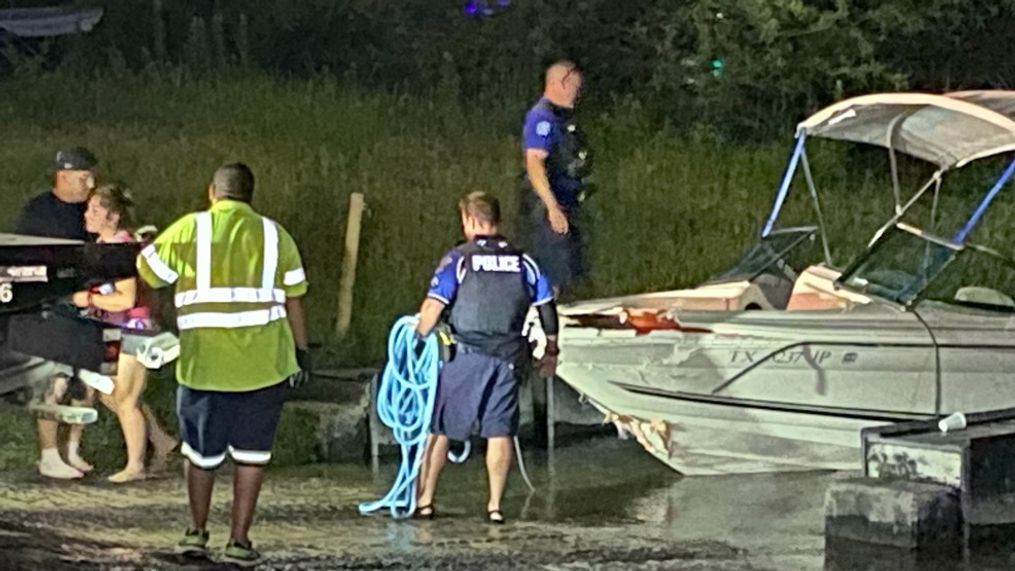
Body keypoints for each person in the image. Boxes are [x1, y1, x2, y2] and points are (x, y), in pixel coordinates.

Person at [136, 162, 310, 567]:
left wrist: (146, 248)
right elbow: (294, 298)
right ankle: (239, 541)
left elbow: (149, 273)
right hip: (265, 368)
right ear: (250, 196)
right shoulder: (274, 235)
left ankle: (195, 534)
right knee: (252, 457)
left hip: (204, 367)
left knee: (200, 455)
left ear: (211, 192)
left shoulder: (188, 229)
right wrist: (302, 352)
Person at [414, 191, 560, 524]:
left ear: (470, 221)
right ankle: (494, 506)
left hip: (464, 356)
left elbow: (433, 308)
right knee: (500, 431)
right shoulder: (524, 262)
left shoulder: (458, 259)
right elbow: (547, 310)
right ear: (497, 221)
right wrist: (551, 351)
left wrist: (416, 335)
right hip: (508, 359)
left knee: (440, 429)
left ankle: (425, 501)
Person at [71, 183, 178, 483]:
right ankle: (162, 441)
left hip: (135, 330)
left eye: (96, 210)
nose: (87, 215)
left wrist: (87, 300)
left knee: (126, 399)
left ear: (114, 216)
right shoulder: (107, 246)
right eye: (88, 208)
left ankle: (135, 466)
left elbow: (126, 299)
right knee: (111, 395)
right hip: (116, 330)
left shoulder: (119, 248)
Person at [17, 147, 98, 479]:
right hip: (52, 309)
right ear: (62, 175)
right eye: (83, 177)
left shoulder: (93, 210)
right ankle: (49, 455)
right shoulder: (38, 212)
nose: (90, 183)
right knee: (55, 382)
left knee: (88, 383)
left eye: (92, 176)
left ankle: (72, 451)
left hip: (88, 307)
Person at [519, 60, 592, 297]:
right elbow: (535, 164)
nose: (577, 92)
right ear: (560, 83)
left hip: (566, 204)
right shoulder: (543, 118)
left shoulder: (563, 119)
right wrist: (551, 207)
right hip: (548, 210)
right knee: (554, 273)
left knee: (571, 270)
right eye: (574, 86)